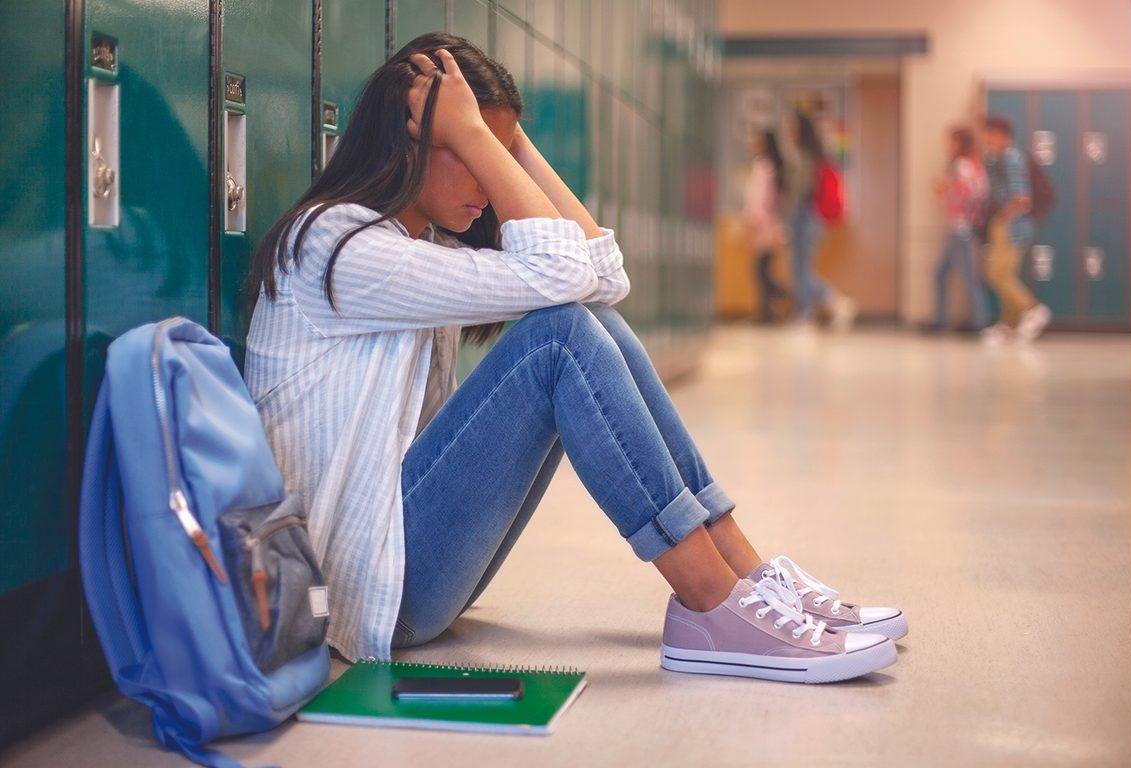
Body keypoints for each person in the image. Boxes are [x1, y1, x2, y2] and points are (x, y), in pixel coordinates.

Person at [244, 33, 905, 684]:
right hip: (360, 591)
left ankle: (742, 576)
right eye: (473, 155)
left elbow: (603, 275)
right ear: (413, 142)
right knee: (559, 338)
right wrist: (480, 137)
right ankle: (710, 601)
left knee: (589, 321)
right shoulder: (335, 248)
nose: (490, 184)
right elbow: (563, 275)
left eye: (498, 157)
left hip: (401, 565)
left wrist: (501, 138)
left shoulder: (419, 246)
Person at [782, 111, 856, 330]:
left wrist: (785, 219)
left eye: (791, 127)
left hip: (804, 216)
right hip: (814, 217)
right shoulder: (817, 155)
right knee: (799, 268)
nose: (788, 132)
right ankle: (805, 313)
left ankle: (831, 302)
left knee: (800, 269)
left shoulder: (803, 156)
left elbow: (799, 191)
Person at [981, 116, 1051, 344]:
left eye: (991, 134)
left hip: (1012, 225)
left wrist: (1003, 217)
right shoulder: (996, 159)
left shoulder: (1012, 158)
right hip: (1005, 223)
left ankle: (1032, 309)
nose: (987, 139)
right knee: (1003, 274)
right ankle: (1009, 324)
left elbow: (1022, 199)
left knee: (997, 273)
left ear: (1004, 136)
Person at [931, 126, 990, 332]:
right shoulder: (975, 165)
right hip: (965, 226)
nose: (947, 146)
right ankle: (940, 320)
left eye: (950, 142)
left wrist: (943, 193)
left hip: (961, 227)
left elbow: (965, 193)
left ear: (959, 144)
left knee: (967, 276)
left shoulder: (961, 165)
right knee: (940, 273)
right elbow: (981, 192)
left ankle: (978, 322)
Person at [741, 130, 789, 322]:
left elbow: (759, 199)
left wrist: (752, 221)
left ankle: (779, 299)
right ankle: (767, 312)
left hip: (763, 227)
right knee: (763, 270)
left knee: (761, 271)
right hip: (769, 225)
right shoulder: (773, 167)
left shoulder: (763, 167)